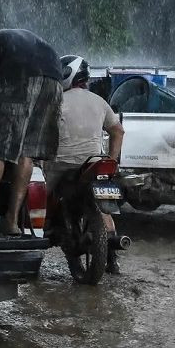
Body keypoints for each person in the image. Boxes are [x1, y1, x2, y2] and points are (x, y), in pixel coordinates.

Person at [0, 29, 63, 237]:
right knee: (26, 150)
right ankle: (11, 220)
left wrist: (2, 115)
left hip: (22, 75)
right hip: (54, 78)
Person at [44, 55, 126, 273]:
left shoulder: (55, 101)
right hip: (94, 164)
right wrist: (112, 159)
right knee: (102, 202)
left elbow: (41, 134)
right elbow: (118, 131)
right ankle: (113, 259)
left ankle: (41, 231)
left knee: (38, 199)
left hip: (60, 164)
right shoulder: (100, 101)